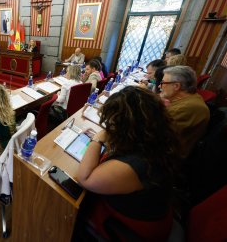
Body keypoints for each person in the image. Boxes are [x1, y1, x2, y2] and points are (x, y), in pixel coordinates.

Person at [76, 86, 179, 240]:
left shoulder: (135, 164)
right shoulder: (157, 139)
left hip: (131, 228)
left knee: (73, 206)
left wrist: (98, 139)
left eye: (112, 122)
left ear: (126, 125)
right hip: (153, 213)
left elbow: (85, 179)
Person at [160, 66, 210, 158]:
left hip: (166, 158)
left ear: (176, 86)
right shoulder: (190, 98)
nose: (160, 86)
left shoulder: (188, 108)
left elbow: (155, 133)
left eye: (163, 83)